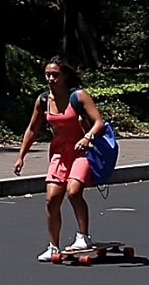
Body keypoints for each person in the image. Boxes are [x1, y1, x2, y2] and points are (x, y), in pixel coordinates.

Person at [14, 56, 110, 262]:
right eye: (47, 75)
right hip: (59, 152)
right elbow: (32, 128)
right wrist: (21, 156)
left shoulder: (79, 96)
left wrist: (87, 137)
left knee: (73, 191)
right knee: (51, 199)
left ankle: (83, 236)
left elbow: (99, 122)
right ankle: (53, 246)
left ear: (65, 75)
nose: (50, 78)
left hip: (83, 150)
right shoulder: (42, 100)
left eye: (55, 75)